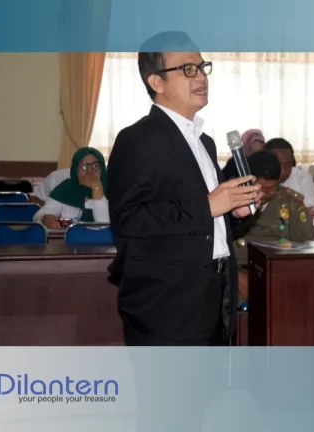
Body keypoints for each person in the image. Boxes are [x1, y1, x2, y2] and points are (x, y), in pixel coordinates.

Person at [107, 31, 262, 347]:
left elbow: (205, 225)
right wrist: (209, 206)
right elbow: (130, 219)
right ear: (157, 82)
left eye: (202, 67)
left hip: (217, 293)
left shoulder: (205, 142)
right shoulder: (137, 139)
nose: (201, 76)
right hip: (167, 304)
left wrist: (233, 212)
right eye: (187, 69)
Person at [232, 151, 314, 301]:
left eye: (273, 188)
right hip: (237, 268)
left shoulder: (292, 202)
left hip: (277, 271)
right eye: (262, 189)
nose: (268, 193)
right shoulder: (232, 199)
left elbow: (306, 244)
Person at [32, 148, 108, 228]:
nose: (89, 172)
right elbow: (40, 215)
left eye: (95, 166)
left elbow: (105, 226)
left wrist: (97, 188)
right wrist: (45, 218)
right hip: (69, 236)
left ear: (102, 169)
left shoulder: (112, 190)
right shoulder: (65, 188)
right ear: (75, 170)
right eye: (83, 166)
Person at [264, 138, 314, 207]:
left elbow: (311, 209)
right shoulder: (258, 180)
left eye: (288, 165)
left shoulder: (303, 178)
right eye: (278, 165)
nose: (283, 171)